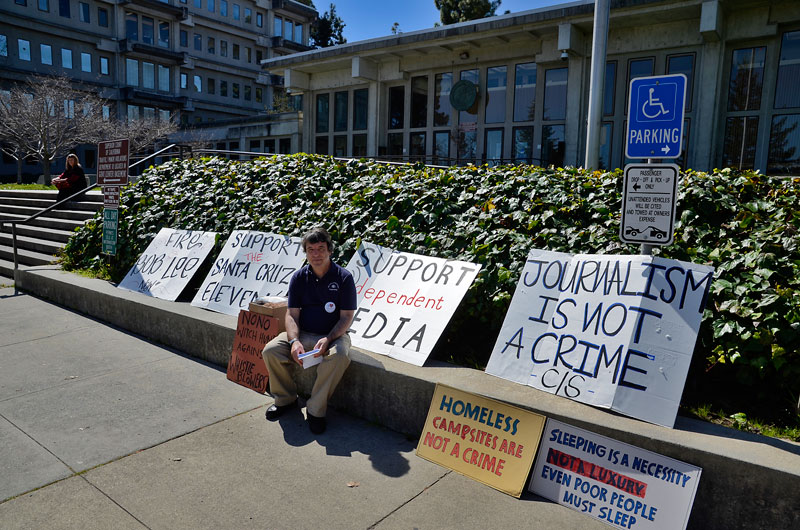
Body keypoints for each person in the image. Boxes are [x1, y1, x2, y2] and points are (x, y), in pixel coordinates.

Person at [261, 227, 357, 434]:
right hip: (303, 332)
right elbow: (291, 315)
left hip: (334, 334)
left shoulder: (344, 277)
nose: (316, 254)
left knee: (340, 356)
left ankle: (315, 410)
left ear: (330, 250)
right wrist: (294, 341)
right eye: (311, 249)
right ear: (305, 252)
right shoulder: (298, 277)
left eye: (321, 249)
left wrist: (329, 338)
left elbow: (347, 317)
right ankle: (285, 400)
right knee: (270, 350)